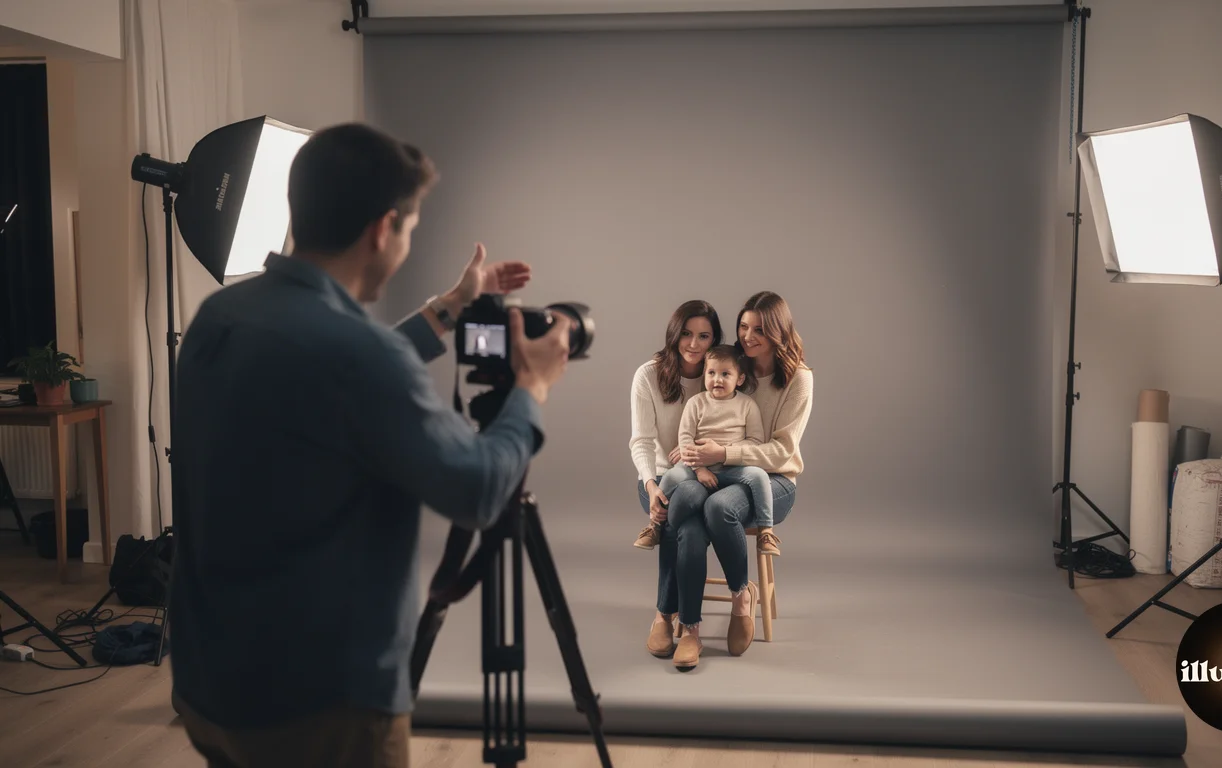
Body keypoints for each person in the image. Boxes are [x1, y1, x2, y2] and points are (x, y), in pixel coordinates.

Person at [167, 122, 573, 768]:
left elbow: (330, 384)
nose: (406, 244)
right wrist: (531, 387)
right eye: (409, 230)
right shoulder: (360, 356)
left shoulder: (220, 317)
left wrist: (452, 305)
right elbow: (477, 490)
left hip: (209, 686)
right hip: (318, 710)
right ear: (383, 229)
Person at [661, 291, 813, 670]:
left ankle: (741, 596)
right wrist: (695, 456)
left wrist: (722, 454)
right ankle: (681, 620)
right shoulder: (728, 367)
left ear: (778, 331)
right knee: (689, 516)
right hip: (720, 473)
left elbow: (780, 452)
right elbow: (699, 421)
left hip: (773, 483)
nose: (748, 335)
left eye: (760, 329)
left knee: (718, 507)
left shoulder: (798, 379)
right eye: (743, 326)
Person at [628, 300, 720, 663]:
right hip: (660, 479)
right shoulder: (648, 375)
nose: (694, 344)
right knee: (685, 523)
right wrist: (651, 486)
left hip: (703, 478)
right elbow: (642, 441)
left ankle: (665, 615)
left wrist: (704, 453)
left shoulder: (720, 374)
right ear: (673, 333)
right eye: (686, 334)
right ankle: (689, 627)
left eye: (704, 336)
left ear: (715, 340)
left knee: (678, 521)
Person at [637, 344, 779, 557]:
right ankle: (654, 526)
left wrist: (724, 451)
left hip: (732, 466)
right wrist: (700, 468)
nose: (717, 379)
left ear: (739, 379)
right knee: (671, 476)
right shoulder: (696, 403)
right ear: (704, 375)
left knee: (759, 476)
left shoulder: (747, 405)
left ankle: (766, 530)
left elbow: (755, 441)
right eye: (711, 373)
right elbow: (685, 438)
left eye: (725, 374)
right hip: (696, 465)